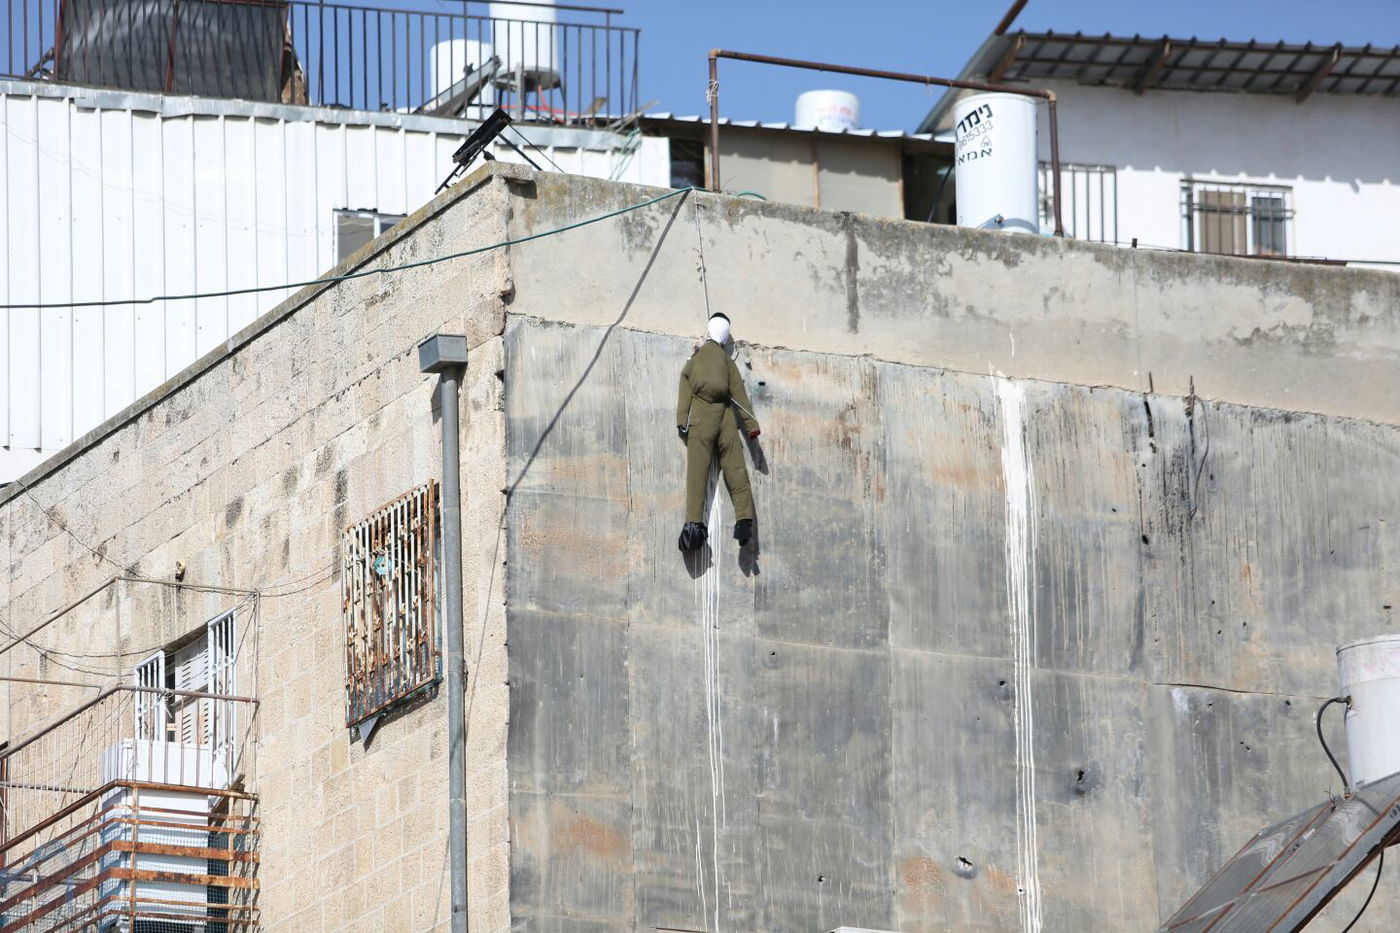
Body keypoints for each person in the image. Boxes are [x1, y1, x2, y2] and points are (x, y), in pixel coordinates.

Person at [675, 312, 760, 551]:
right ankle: (744, 521)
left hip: (701, 417)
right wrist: (751, 426)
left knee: (697, 474)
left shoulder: (695, 360)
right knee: (736, 469)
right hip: (725, 416)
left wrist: (682, 420)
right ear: (724, 337)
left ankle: (693, 528)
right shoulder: (728, 362)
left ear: (709, 331)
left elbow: (685, 388)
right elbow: (740, 398)